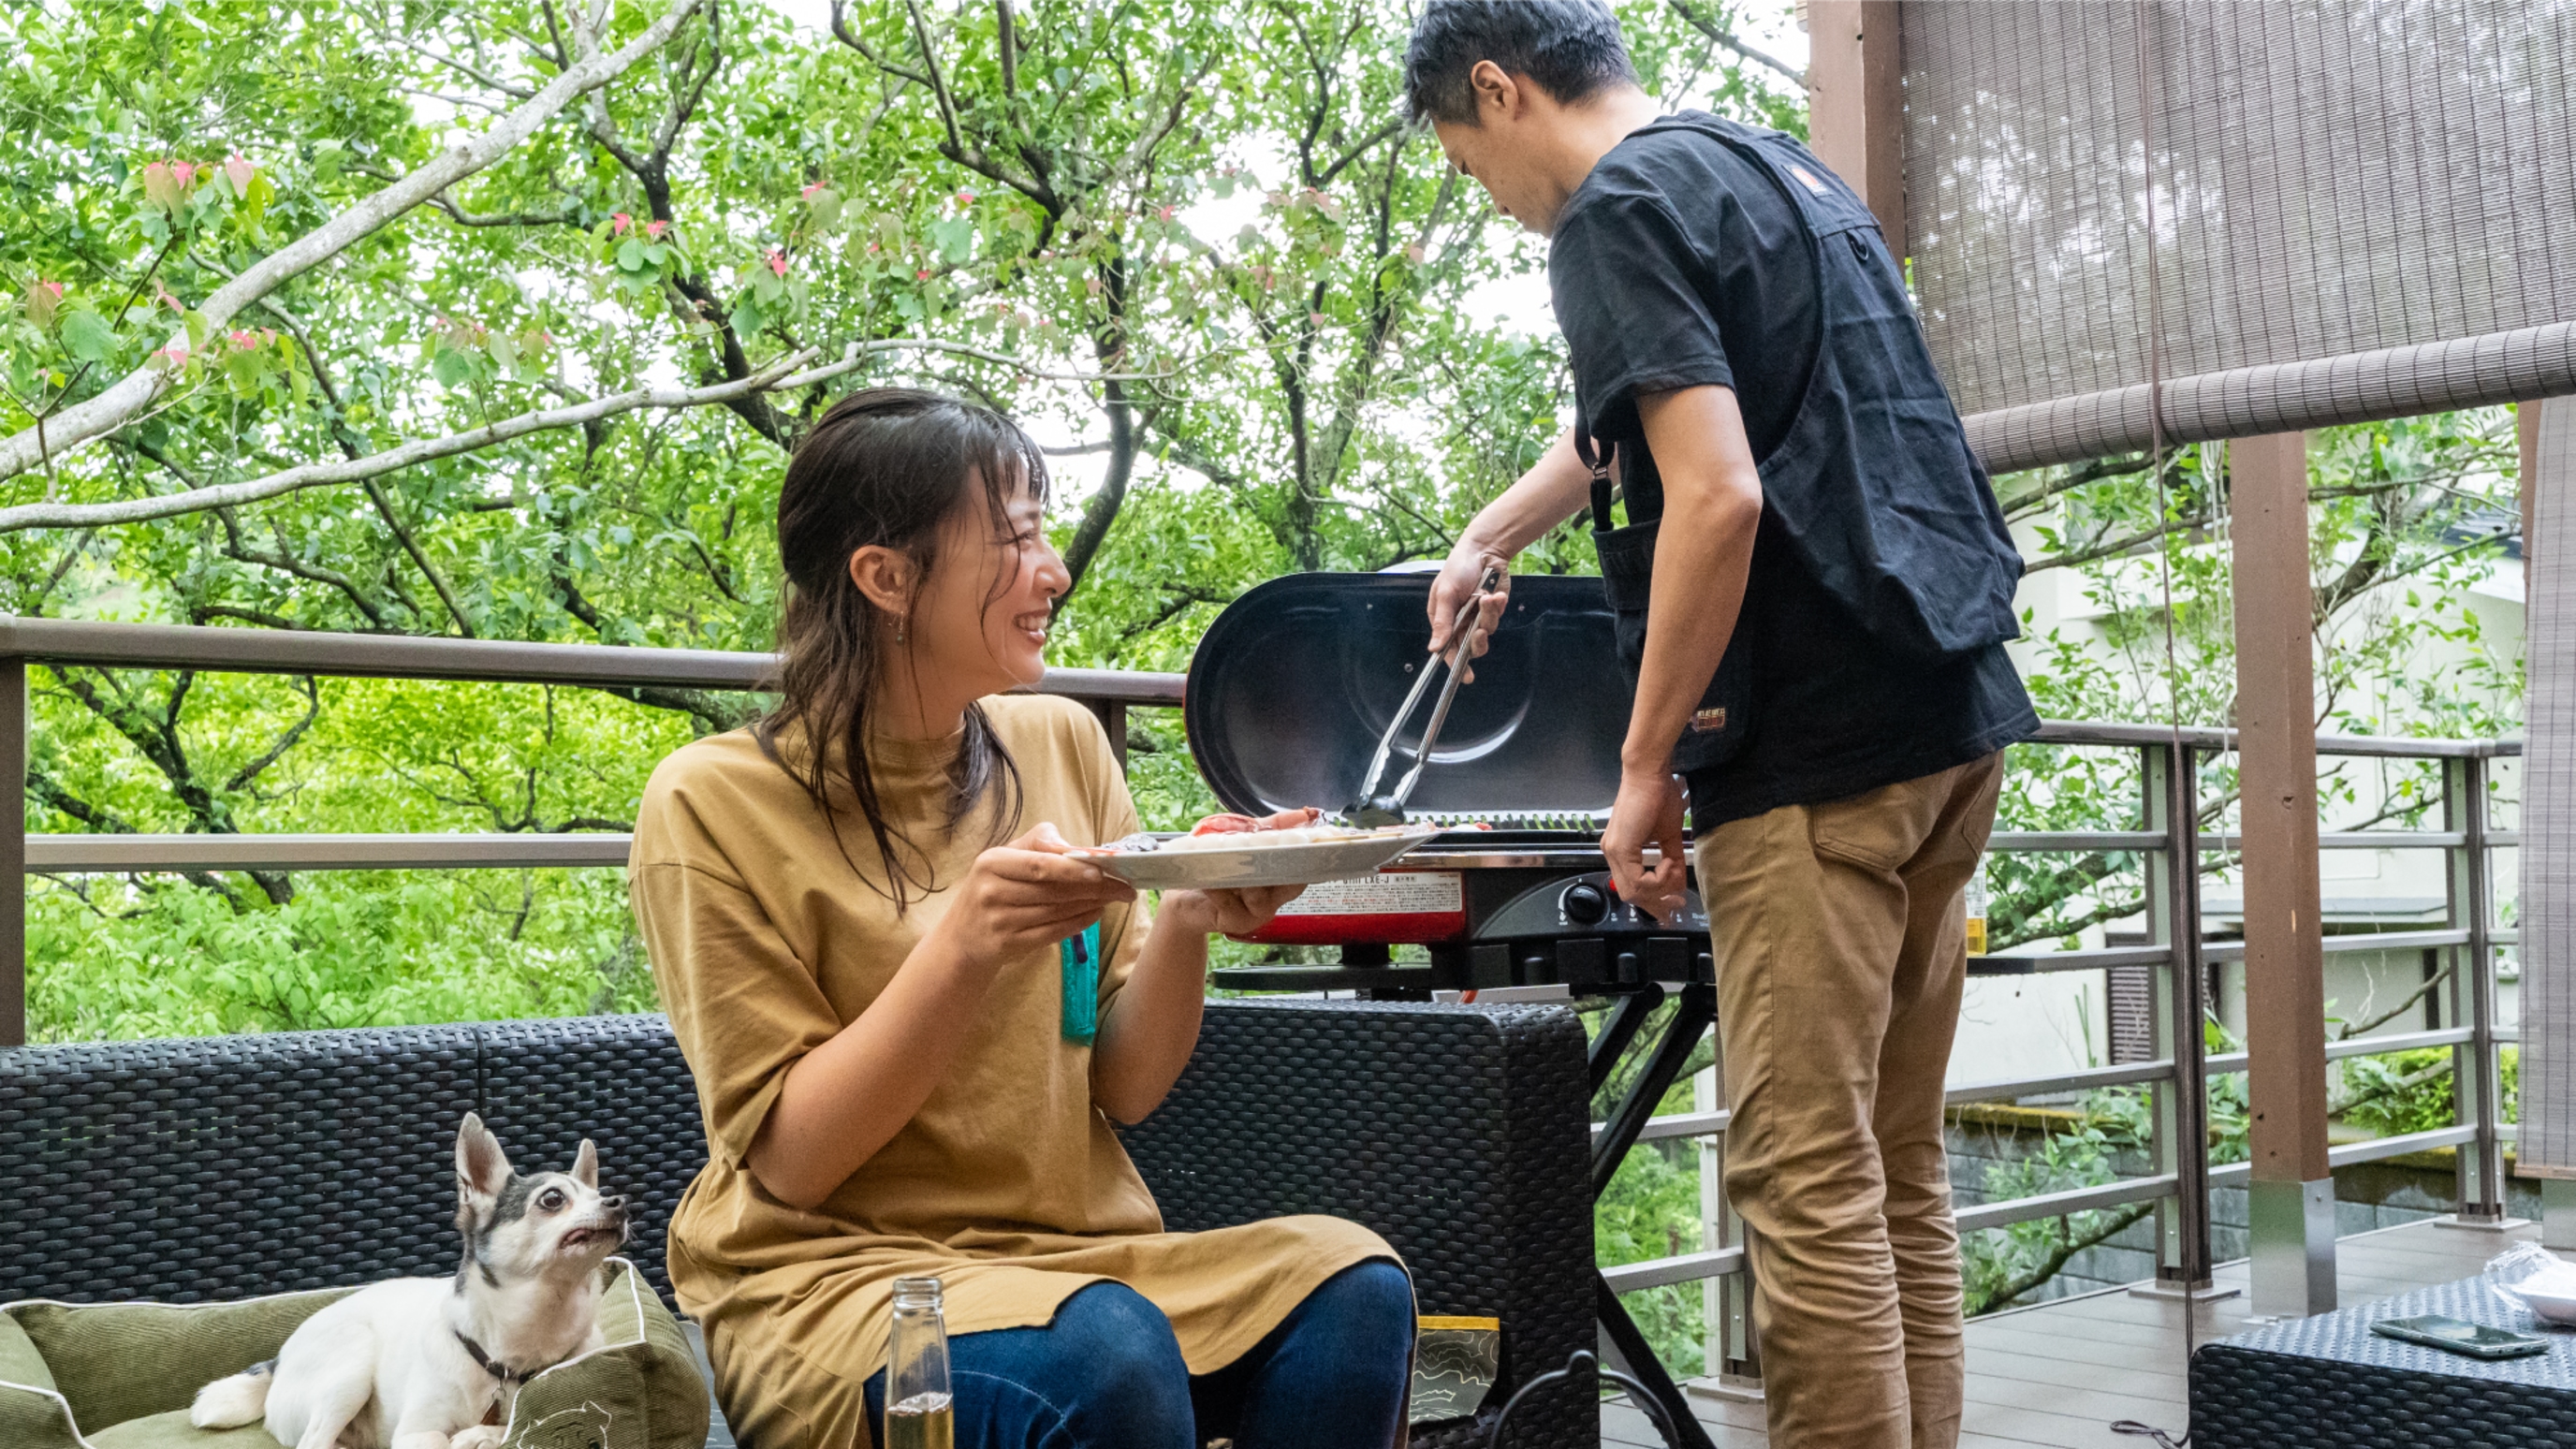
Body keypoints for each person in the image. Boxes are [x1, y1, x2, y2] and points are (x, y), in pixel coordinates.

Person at [1404, 5, 2038, 1447]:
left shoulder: (1610, 213)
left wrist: (1643, 768)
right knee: (1897, 1163)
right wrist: (1492, 531)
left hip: (1818, 754)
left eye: (1466, 165)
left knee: (1806, 1179)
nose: (1493, 206)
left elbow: (1720, 491)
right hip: (1946, 710)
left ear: (1499, 91)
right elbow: (1646, 411)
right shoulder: (1774, 172)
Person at [628, 388, 1415, 1449]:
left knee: (1352, 1285)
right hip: (831, 1286)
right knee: (1105, 1354)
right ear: (886, 578)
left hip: (1076, 1264)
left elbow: (1127, 1085)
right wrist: (969, 940)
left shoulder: (1061, 746)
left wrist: (1186, 912)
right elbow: (793, 1162)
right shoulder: (710, 802)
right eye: (1016, 538)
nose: (1055, 571)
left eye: (1043, 532)